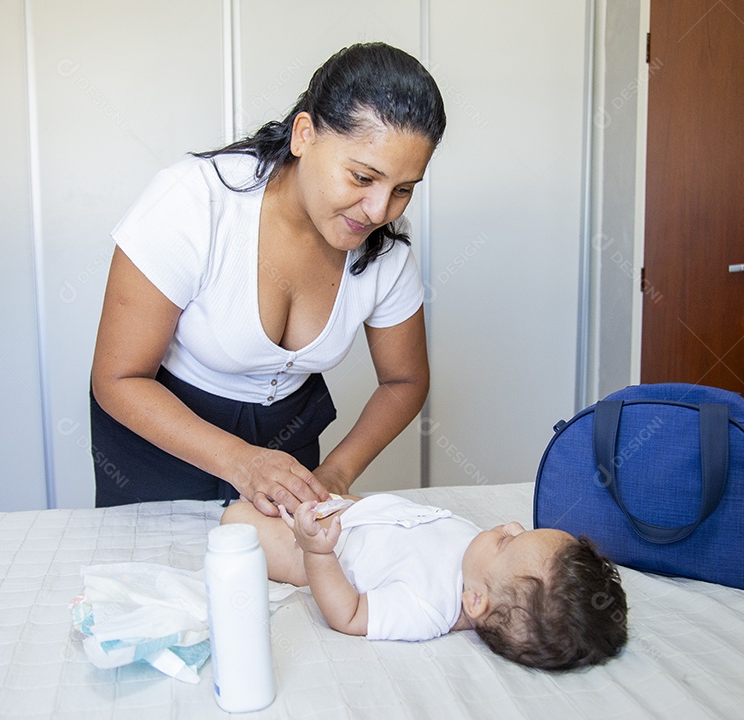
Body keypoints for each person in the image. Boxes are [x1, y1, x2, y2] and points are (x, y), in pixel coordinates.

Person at [90, 42, 446, 513]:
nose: (379, 211)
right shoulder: (194, 202)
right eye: (362, 178)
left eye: (402, 189)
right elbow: (117, 377)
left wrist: (336, 472)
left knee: (283, 564)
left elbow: (405, 380)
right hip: (160, 443)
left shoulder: (385, 250)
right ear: (304, 135)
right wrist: (240, 461)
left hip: (286, 450)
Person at [221, 494, 628, 670]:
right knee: (272, 487)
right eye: (522, 531)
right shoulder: (477, 562)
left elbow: (350, 614)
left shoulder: (427, 607)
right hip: (353, 512)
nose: (510, 524)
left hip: (319, 548)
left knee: (235, 519)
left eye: (508, 541)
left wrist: (317, 553)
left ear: (476, 602)